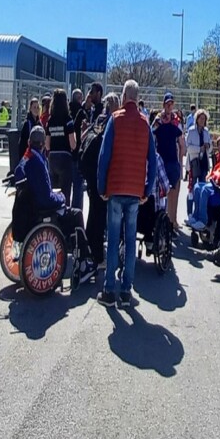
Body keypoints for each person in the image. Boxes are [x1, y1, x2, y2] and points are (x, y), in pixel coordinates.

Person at [96, 79, 157, 308]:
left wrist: (102, 186)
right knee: (130, 241)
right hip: (134, 190)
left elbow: (104, 156)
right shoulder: (145, 123)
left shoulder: (115, 119)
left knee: (113, 239)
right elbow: (152, 159)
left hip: (115, 187)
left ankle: (109, 290)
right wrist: (147, 190)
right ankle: (125, 290)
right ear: (137, 96)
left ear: (123, 96)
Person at [14, 126, 95, 281]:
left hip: (31, 209)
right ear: (43, 143)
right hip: (43, 211)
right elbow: (46, 198)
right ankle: (83, 262)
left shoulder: (25, 159)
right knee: (76, 215)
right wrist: (62, 198)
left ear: (30, 141)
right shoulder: (37, 162)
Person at [82, 93, 120, 268]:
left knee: (93, 211)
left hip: (88, 169)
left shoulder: (99, 120)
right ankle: (97, 256)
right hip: (100, 172)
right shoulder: (111, 122)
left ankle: (89, 247)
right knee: (99, 213)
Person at [153, 92, 185, 228]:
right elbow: (151, 136)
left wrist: (180, 162)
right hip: (160, 161)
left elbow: (181, 143)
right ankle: (161, 221)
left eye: (172, 103)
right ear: (163, 104)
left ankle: (173, 220)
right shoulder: (158, 121)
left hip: (173, 161)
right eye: (167, 103)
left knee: (174, 191)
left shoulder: (176, 122)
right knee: (160, 193)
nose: (170, 106)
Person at [46, 89, 77, 204]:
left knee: (53, 192)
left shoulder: (50, 120)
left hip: (52, 158)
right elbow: (72, 144)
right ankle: (64, 218)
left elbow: (47, 145)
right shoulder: (68, 120)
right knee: (65, 194)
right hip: (65, 158)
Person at [185, 108, 212, 219]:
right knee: (192, 188)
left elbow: (210, 148)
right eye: (200, 118)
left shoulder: (206, 132)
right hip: (194, 163)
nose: (202, 120)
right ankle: (190, 213)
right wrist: (199, 149)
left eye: (204, 119)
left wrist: (207, 147)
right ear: (196, 119)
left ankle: (199, 212)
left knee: (201, 188)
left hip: (204, 163)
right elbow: (188, 147)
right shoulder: (191, 131)